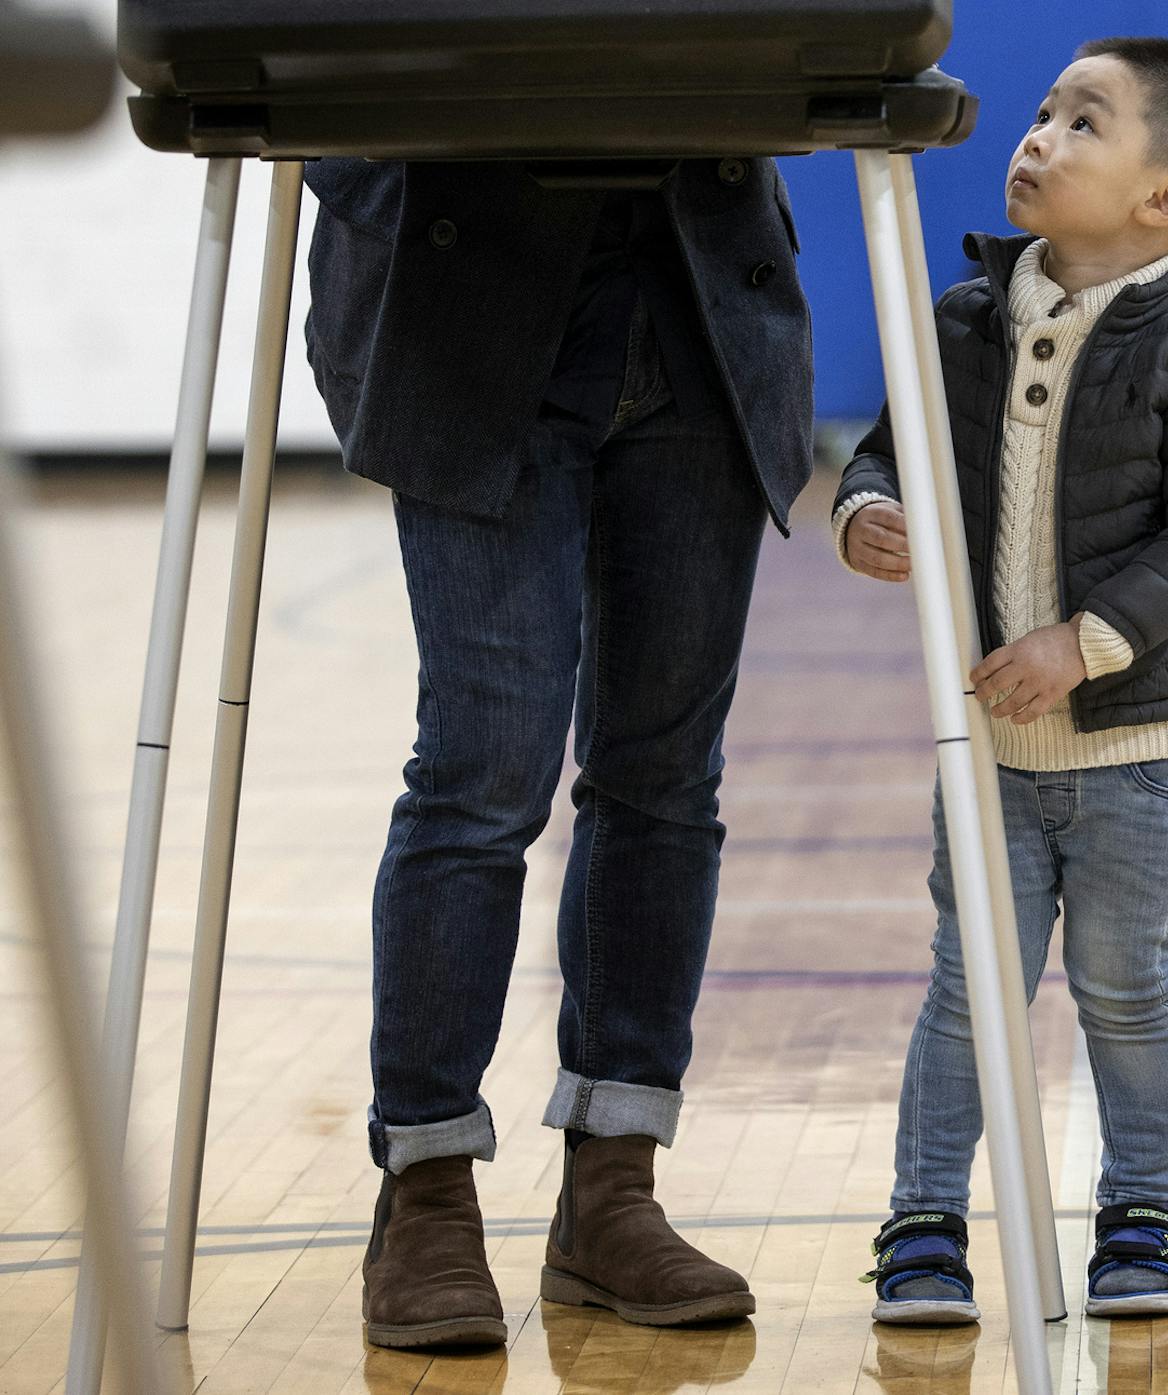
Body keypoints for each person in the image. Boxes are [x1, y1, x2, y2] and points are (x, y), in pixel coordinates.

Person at [302, 154, 811, 1348]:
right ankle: (425, 1192)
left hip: (697, 295)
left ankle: (612, 1190)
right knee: (482, 771)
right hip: (465, 298)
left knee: (666, 784)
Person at [833, 37, 1168, 1323]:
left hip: (1141, 751)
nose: (1037, 137)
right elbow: (883, 448)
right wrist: (865, 509)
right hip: (992, 760)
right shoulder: (964, 322)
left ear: (1162, 198)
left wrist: (1083, 643)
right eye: (1041, 113)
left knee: (1127, 992)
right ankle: (922, 1220)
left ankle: (1140, 1208)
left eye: (1084, 124)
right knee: (969, 993)